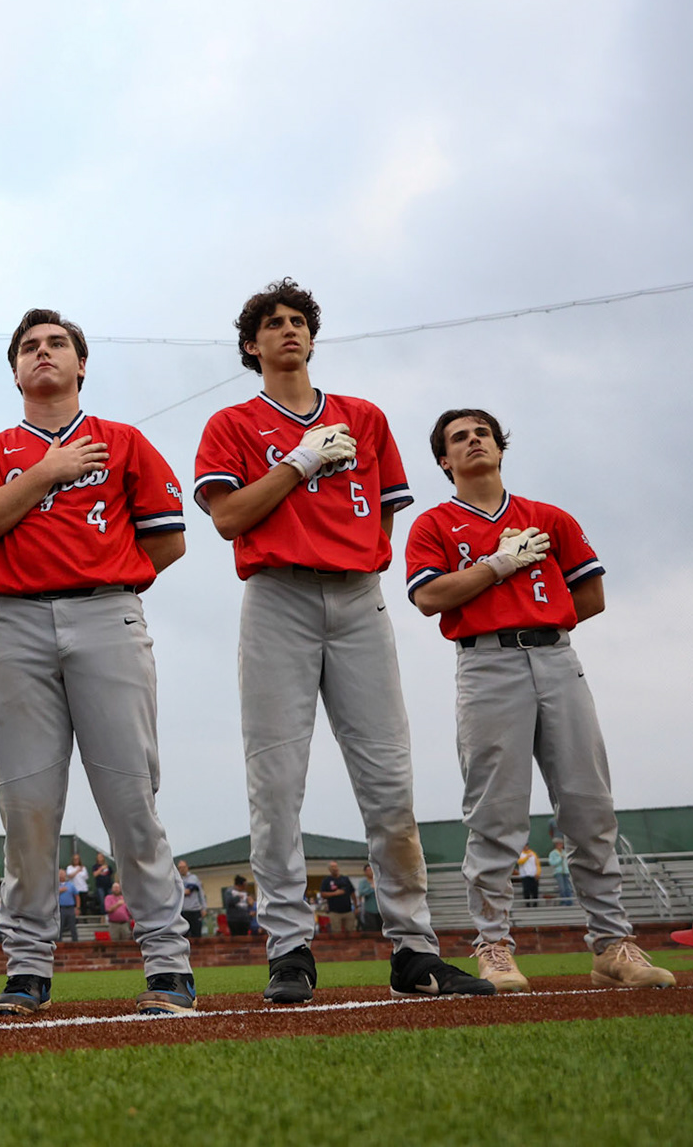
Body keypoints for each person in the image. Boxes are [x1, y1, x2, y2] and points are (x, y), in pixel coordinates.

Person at [192, 278, 491, 1005]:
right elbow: (228, 518)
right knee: (277, 783)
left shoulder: (365, 416)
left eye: (298, 321)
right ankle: (289, 948)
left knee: (389, 779)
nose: (288, 330)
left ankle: (415, 949)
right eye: (272, 323)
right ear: (250, 345)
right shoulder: (232, 422)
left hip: (357, 596)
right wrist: (297, 464)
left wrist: (356, 559)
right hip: (277, 596)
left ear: (312, 337)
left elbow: (383, 519)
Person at [0, 309, 198, 1017]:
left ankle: (168, 966)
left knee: (131, 801)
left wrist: (102, 575)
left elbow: (167, 543)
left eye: (57, 343)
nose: (43, 353)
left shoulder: (123, 442)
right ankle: (27, 970)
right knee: (26, 809)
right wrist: (48, 471)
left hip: (106, 614)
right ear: (16, 370)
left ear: (81, 364)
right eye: (29, 347)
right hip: (18, 622)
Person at [406, 408, 674, 992]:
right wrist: (499, 567)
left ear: (500, 448)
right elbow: (429, 597)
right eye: (458, 438)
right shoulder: (432, 523)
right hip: (486, 662)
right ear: (444, 461)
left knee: (588, 804)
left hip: (557, 655)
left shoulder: (549, 517)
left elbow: (592, 594)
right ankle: (494, 946)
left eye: (482, 433)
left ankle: (611, 943)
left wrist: (537, 616)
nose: (473, 441)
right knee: (496, 813)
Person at [319, 862, 358, 934]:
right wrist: (335, 893)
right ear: (329, 869)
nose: (335, 869)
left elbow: (352, 893)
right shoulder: (326, 881)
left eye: (336, 867)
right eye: (332, 867)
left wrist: (356, 907)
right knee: (336, 933)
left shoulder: (345, 879)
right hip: (334, 912)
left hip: (348, 911)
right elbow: (323, 894)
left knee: (351, 932)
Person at [177, 860, 206, 939]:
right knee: (184, 935)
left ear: (187, 868)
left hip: (194, 910)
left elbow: (190, 891)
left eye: (183, 867)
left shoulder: (193, 878)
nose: (182, 869)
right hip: (183, 911)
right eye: (180, 868)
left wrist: (203, 908)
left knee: (196, 935)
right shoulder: (177, 880)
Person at [549, 840, 575, 907]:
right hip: (559, 872)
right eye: (558, 844)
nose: (560, 845)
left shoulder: (565, 852)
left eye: (561, 844)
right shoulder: (553, 853)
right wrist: (560, 858)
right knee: (562, 888)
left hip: (566, 872)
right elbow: (552, 863)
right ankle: (563, 901)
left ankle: (570, 901)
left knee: (568, 887)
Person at [56, 869, 79, 943]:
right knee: (60, 926)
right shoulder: (55, 885)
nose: (61, 875)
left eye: (62, 873)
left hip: (70, 908)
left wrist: (77, 907)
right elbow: (50, 895)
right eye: (59, 873)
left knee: (72, 926)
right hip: (60, 908)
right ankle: (59, 942)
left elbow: (77, 896)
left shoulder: (71, 885)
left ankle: (75, 941)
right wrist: (60, 891)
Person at [358, 864, 382, 932]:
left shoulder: (379, 880)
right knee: (371, 929)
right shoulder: (363, 882)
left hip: (380, 910)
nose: (370, 871)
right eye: (368, 870)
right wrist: (371, 888)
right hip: (369, 910)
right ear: (365, 872)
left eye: (371, 869)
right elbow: (361, 893)